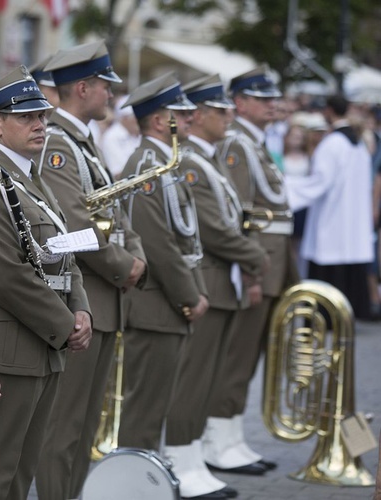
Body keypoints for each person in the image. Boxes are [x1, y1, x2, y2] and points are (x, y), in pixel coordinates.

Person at [0, 65, 92, 499]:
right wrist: (64, 323)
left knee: (22, 469)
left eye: (42, 117)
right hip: (14, 343)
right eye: (26, 118)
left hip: (45, 340)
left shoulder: (30, 176)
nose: (40, 125)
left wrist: (81, 309)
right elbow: (5, 272)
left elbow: (64, 249)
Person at [34, 41, 147, 499]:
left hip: (103, 297)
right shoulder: (59, 142)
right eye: (104, 86)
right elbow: (76, 226)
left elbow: (114, 214)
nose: (111, 96)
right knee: (65, 426)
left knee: (84, 425)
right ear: (82, 88)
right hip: (85, 297)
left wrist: (133, 254)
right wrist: (125, 266)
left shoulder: (80, 140)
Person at [162, 74, 269, 500]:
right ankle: (180, 458)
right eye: (220, 110)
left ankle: (191, 457)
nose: (229, 117)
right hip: (208, 277)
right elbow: (213, 229)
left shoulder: (205, 160)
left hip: (223, 280)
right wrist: (258, 257)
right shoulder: (189, 161)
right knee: (192, 378)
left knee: (206, 377)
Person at [204, 65, 299, 475]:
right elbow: (239, 216)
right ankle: (217, 439)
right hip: (256, 262)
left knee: (253, 352)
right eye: (261, 99)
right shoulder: (237, 146)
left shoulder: (255, 144)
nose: (271, 105)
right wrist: (252, 273)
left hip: (274, 259)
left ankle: (232, 435)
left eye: (271, 98)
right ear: (239, 102)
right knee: (238, 356)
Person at [116, 71, 206, 458]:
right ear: (159, 121)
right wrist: (191, 295)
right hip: (156, 303)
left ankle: (144, 477)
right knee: (144, 411)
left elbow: (184, 240)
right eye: (181, 115)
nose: (191, 120)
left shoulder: (163, 164)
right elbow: (157, 244)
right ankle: (131, 483)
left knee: (155, 408)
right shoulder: (146, 169)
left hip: (167, 304)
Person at [284, 94, 375, 319]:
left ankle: (325, 314)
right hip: (352, 217)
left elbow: (320, 182)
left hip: (333, 216)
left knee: (329, 259)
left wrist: (285, 186)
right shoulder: (359, 142)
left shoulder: (332, 143)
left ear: (329, 111)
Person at [101, 95, 141, 179]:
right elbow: (118, 173)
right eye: (134, 117)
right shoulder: (111, 137)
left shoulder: (139, 134)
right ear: (124, 118)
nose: (138, 120)